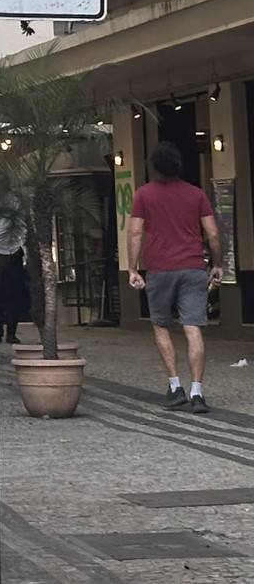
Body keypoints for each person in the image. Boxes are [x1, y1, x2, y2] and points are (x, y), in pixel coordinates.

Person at [128, 140, 223, 413]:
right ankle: (197, 392)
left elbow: (135, 232)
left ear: (154, 167)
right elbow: (213, 233)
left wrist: (133, 268)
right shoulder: (196, 194)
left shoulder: (144, 195)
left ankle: (174, 386)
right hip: (193, 267)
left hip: (159, 269)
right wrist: (217, 263)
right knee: (193, 328)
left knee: (160, 324)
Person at [0, 217, 31, 345]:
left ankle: (11, 333)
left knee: (13, 299)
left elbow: (23, 231)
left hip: (14, 253)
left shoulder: (18, 212)